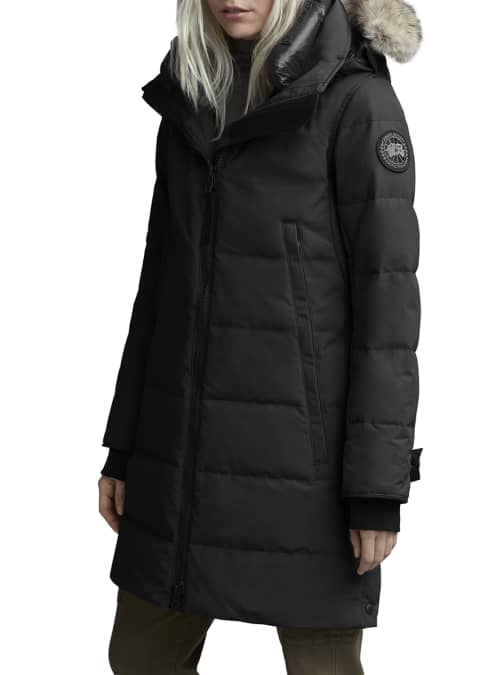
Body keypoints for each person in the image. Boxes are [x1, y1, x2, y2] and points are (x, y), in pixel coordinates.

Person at [98, 0, 424, 672]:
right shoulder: (190, 98)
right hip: (178, 463)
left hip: (309, 477)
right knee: (137, 658)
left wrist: (376, 489)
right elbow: (159, 288)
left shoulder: (356, 103)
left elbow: (387, 309)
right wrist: (125, 448)